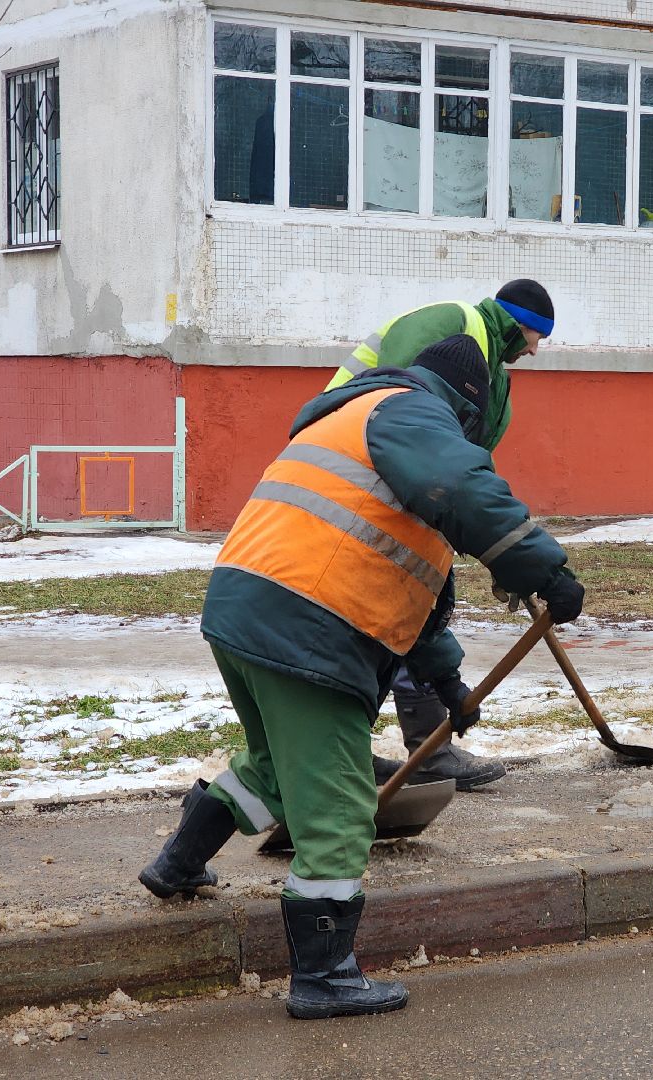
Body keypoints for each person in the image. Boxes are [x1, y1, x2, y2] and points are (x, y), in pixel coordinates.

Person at [138, 336, 585, 1020]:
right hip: (308, 622)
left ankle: (178, 863)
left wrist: (448, 687)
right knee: (340, 809)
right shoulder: (411, 414)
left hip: (246, 605)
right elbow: (465, 488)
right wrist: (543, 568)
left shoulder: (366, 431)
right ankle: (323, 976)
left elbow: (418, 586)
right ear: (468, 403)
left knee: (271, 766)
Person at [326, 279, 556, 792]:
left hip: (406, 481)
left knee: (416, 600)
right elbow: (399, 405)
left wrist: (504, 546)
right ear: (520, 327)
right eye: (537, 337)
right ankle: (348, 755)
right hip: (359, 468)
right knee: (371, 609)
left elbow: (469, 464)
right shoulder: (451, 327)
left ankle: (416, 747)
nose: (536, 351)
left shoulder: (492, 373)